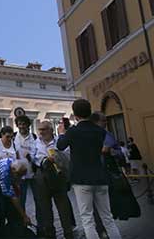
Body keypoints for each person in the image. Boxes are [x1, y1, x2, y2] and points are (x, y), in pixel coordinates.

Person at [57, 99, 122, 239]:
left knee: (87, 219)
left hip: (81, 179)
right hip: (100, 177)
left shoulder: (73, 131)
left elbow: (60, 146)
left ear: (75, 115)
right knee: (108, 218)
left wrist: (62, 133)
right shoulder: (99, 131)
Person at [33, 121, 74, 239]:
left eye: (44, 129)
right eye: (40, 130)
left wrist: (57, 157)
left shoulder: (59, 142)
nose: (41, 132)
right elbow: (33, 157)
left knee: (63, 206)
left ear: (51, 130)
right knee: (45, 208)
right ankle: (50, 234)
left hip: (58, 175)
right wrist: (45, 160)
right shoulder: (36, 143)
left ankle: (68, 232)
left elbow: (67, 155)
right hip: (42, 174)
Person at [0, 158, 32, 237]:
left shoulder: (12, 164)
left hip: (1, 183)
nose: (19, 177)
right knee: (1, 209)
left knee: (11, 208)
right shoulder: (5, 174)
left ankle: (12, 230)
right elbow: (13, 197)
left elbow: (16, 186)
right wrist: (24, 216)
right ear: (14, 171)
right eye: (19, 175)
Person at [13, 115, 38, 210]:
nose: (22, 126)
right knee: (21, 199)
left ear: (28, 125)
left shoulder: (34, 137)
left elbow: (37, 153)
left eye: (24, 124)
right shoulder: (14, 137)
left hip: (33, 172)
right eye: (19, 124)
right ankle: (21, 222)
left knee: (38, 199)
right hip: (19, 173)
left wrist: (30, 157)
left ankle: (40, 222)